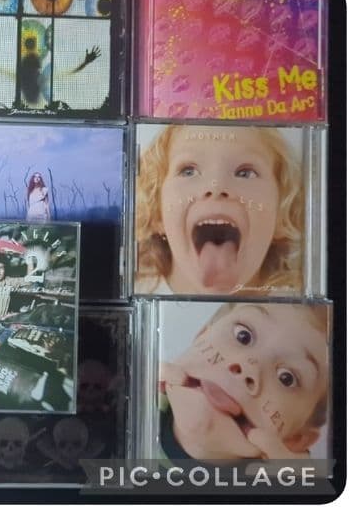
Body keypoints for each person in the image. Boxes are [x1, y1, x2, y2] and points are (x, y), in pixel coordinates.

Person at [134, 125, 304, 296]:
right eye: (188, 171)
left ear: (282, 214)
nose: (216, 186)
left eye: (245, 173)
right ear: (156, 211)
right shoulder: (133, 292)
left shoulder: (300, 307)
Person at [159, 302, 330, 461]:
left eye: (286, 378)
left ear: (295, 439)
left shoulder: (281, 480)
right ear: (202, 334)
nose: (248, 367)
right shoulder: (145, 395)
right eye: (243, 336)